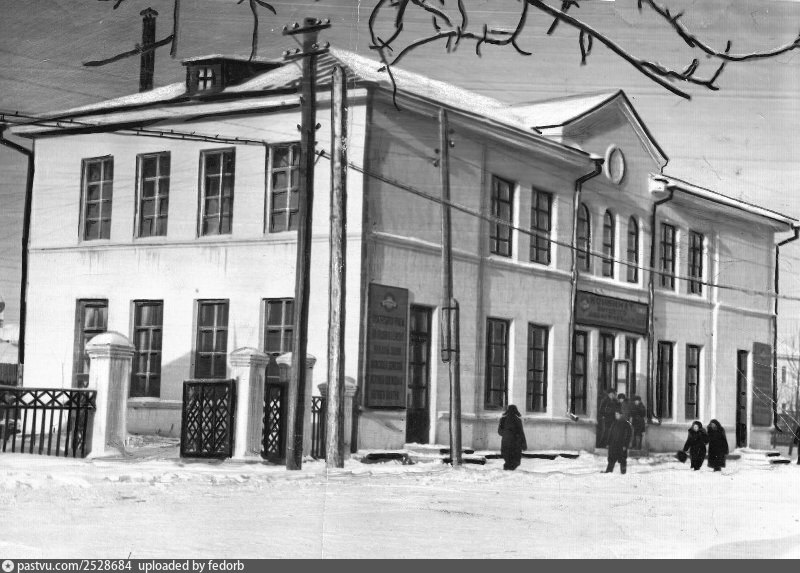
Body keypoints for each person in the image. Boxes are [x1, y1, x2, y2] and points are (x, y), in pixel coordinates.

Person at [498, 404, 527, 470]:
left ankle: (507, 471)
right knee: (514, 461)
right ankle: (510, 471)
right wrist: (524, 445)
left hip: (506, 443)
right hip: (516, 444)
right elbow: (521, 433)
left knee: (508, 460)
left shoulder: (503, 419)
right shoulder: (518, 420)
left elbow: (499, 431)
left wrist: (506, 434)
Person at [605, 408, 633, 474]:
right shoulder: (614, 423)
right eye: (615, 414)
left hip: (621, 445)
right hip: (613, 444)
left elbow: (628, 436)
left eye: (617, 414)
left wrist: (625, 445)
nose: (616, 415)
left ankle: (623, 472)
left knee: (622, 459)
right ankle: (609, 471)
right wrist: (608, 443)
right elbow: (610, 434)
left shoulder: (626, 424)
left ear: (621, 415)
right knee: (611, 458)